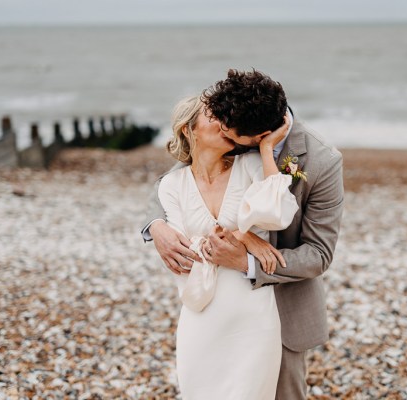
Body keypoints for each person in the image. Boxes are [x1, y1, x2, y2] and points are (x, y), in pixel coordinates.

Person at [142, 69, 344, 399]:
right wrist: (155, 225)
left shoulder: (322, 161)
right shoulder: (234, 113)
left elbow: (319, 254)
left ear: (258, 137)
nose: (223, 135)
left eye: (231, 136)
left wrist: (247, 261)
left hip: (283, 307)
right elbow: (184, 174)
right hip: (215, 307)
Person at [150, 94, 299, 399]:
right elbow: (185, 255)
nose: (224, 121)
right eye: (212, 115)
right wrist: (245, 236)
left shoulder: (251, 166)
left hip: (253, 316)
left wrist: (267, 148)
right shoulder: (172, 185)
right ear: (187, 129)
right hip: (201, 315)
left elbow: (277, 213)